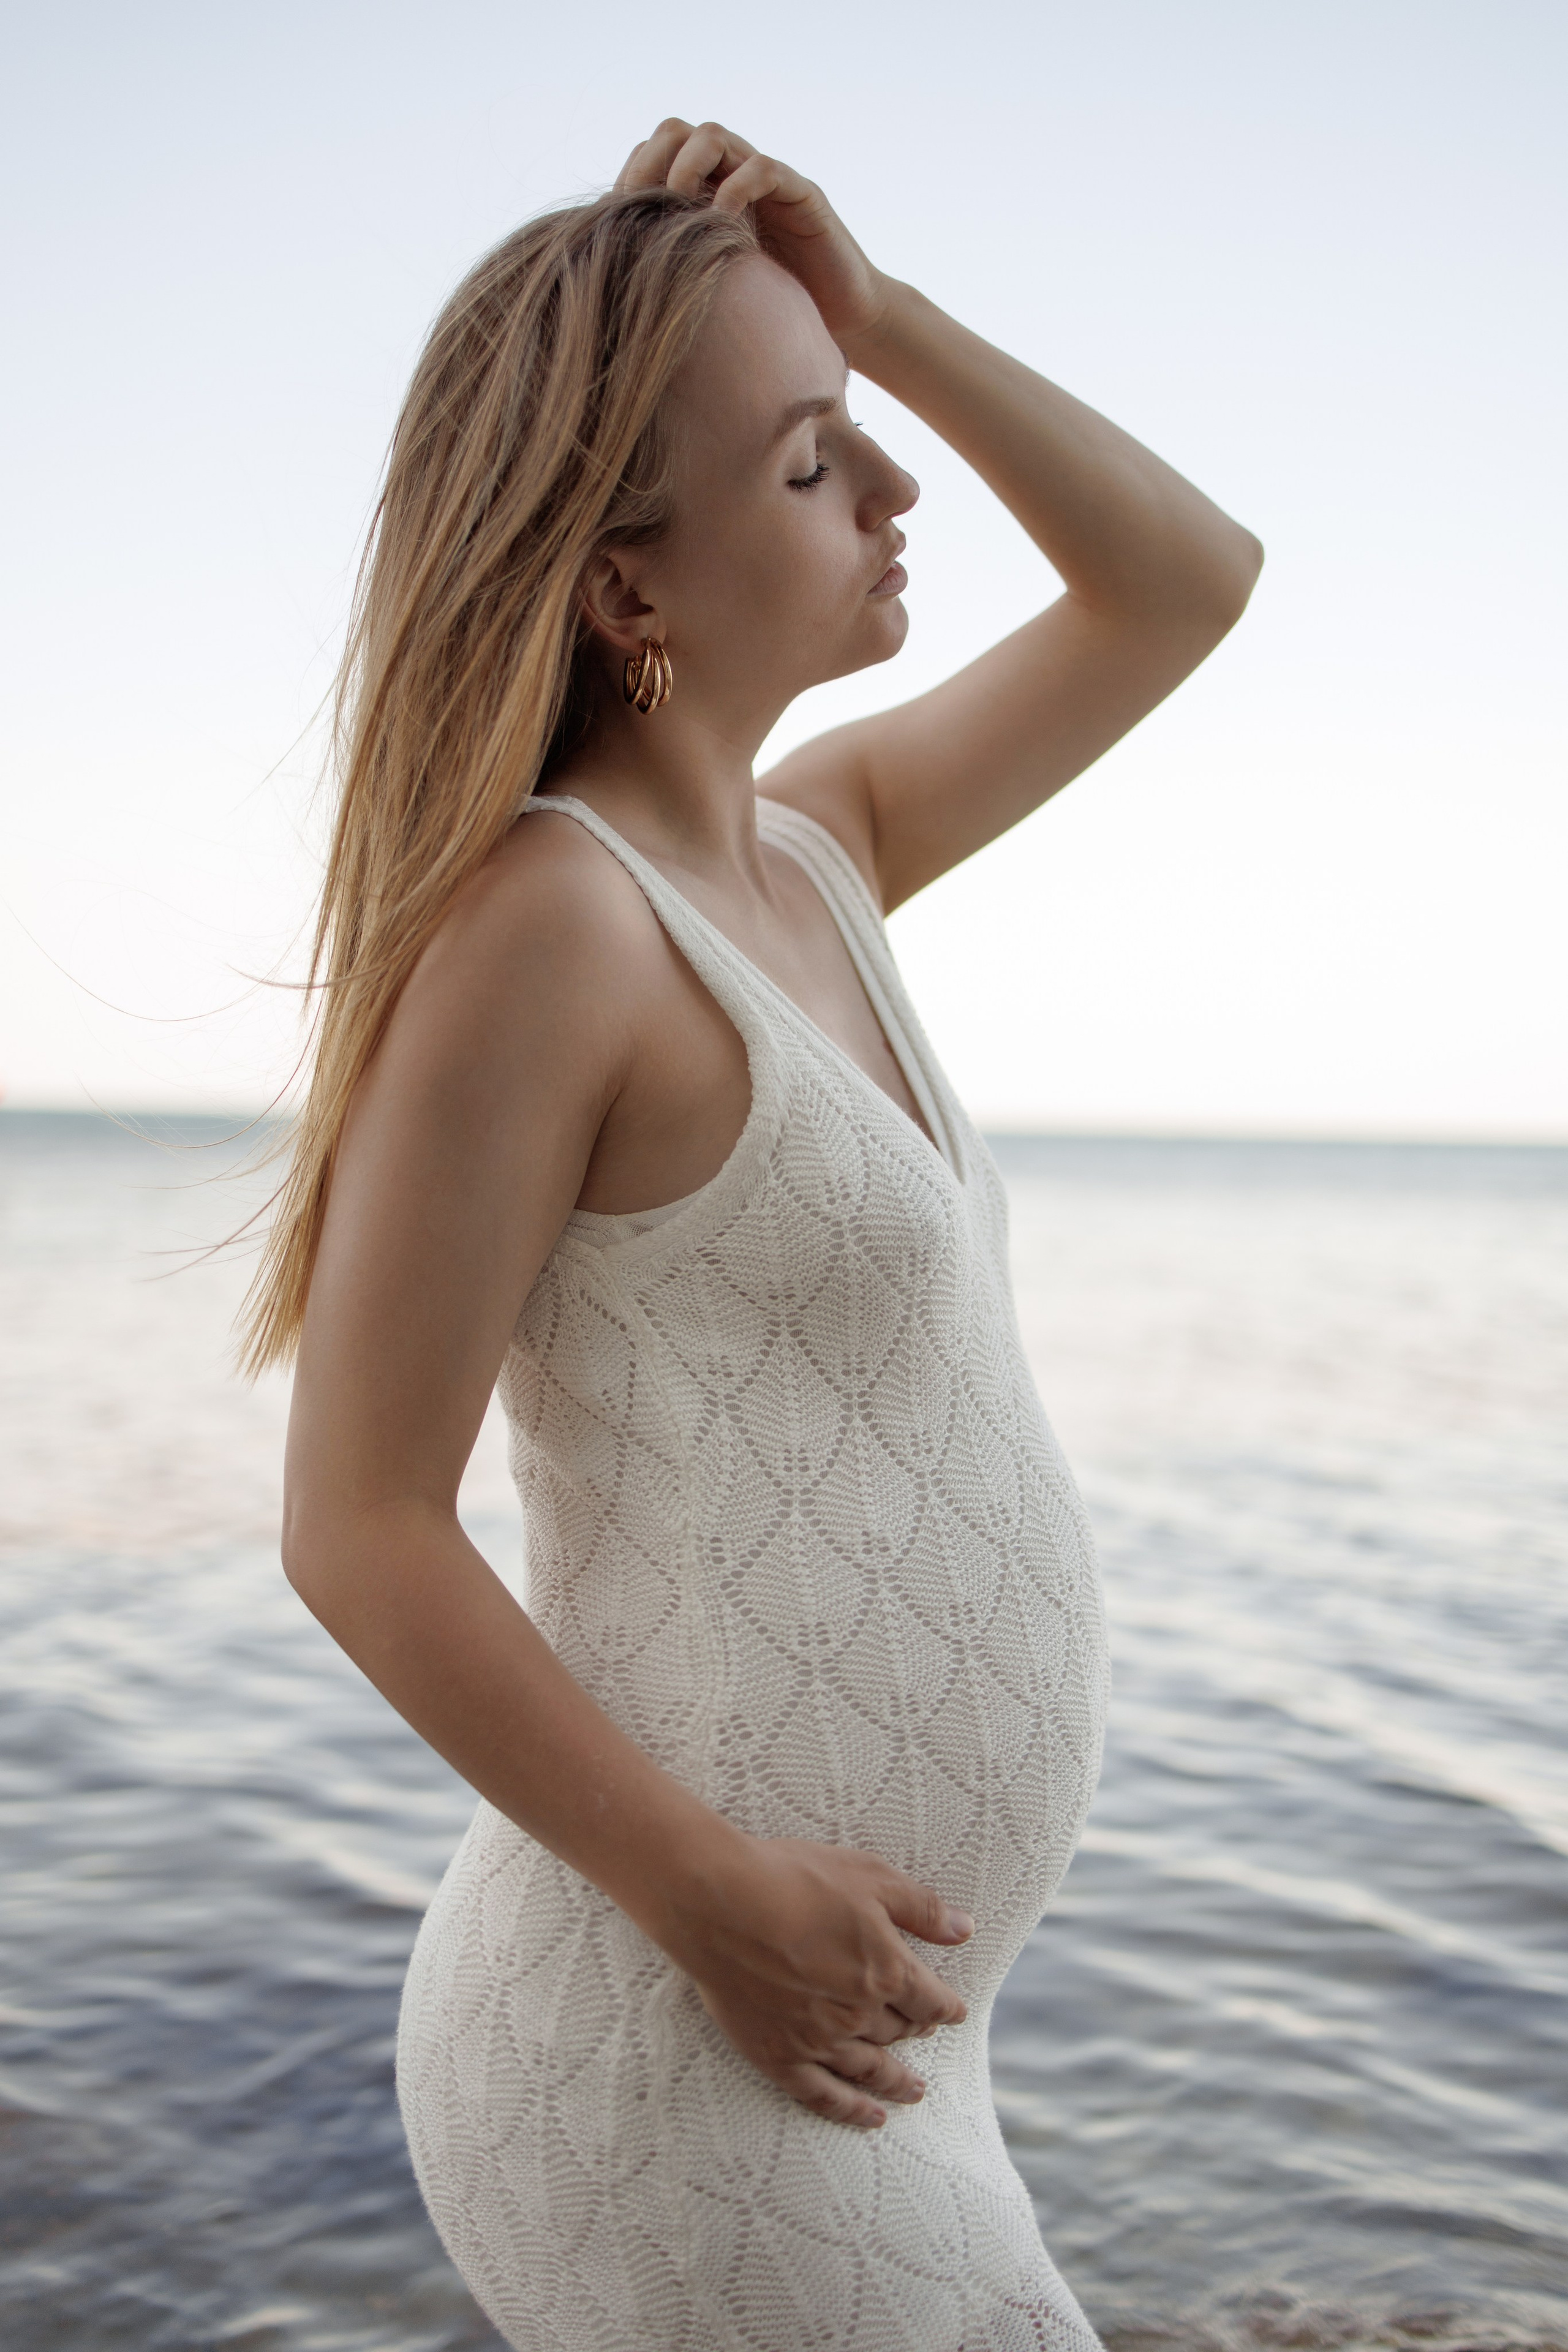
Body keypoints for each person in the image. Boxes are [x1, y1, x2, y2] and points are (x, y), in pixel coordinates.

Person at [263, 119, 1261, 2352]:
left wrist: (871, 314)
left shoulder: (821, 853)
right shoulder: (551, 932)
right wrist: (712, 1901)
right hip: (673, 2027)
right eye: (819, 465)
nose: (899, 497)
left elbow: (1185, 581)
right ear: (630, 587)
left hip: (874, 2037)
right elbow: (358, 1520)